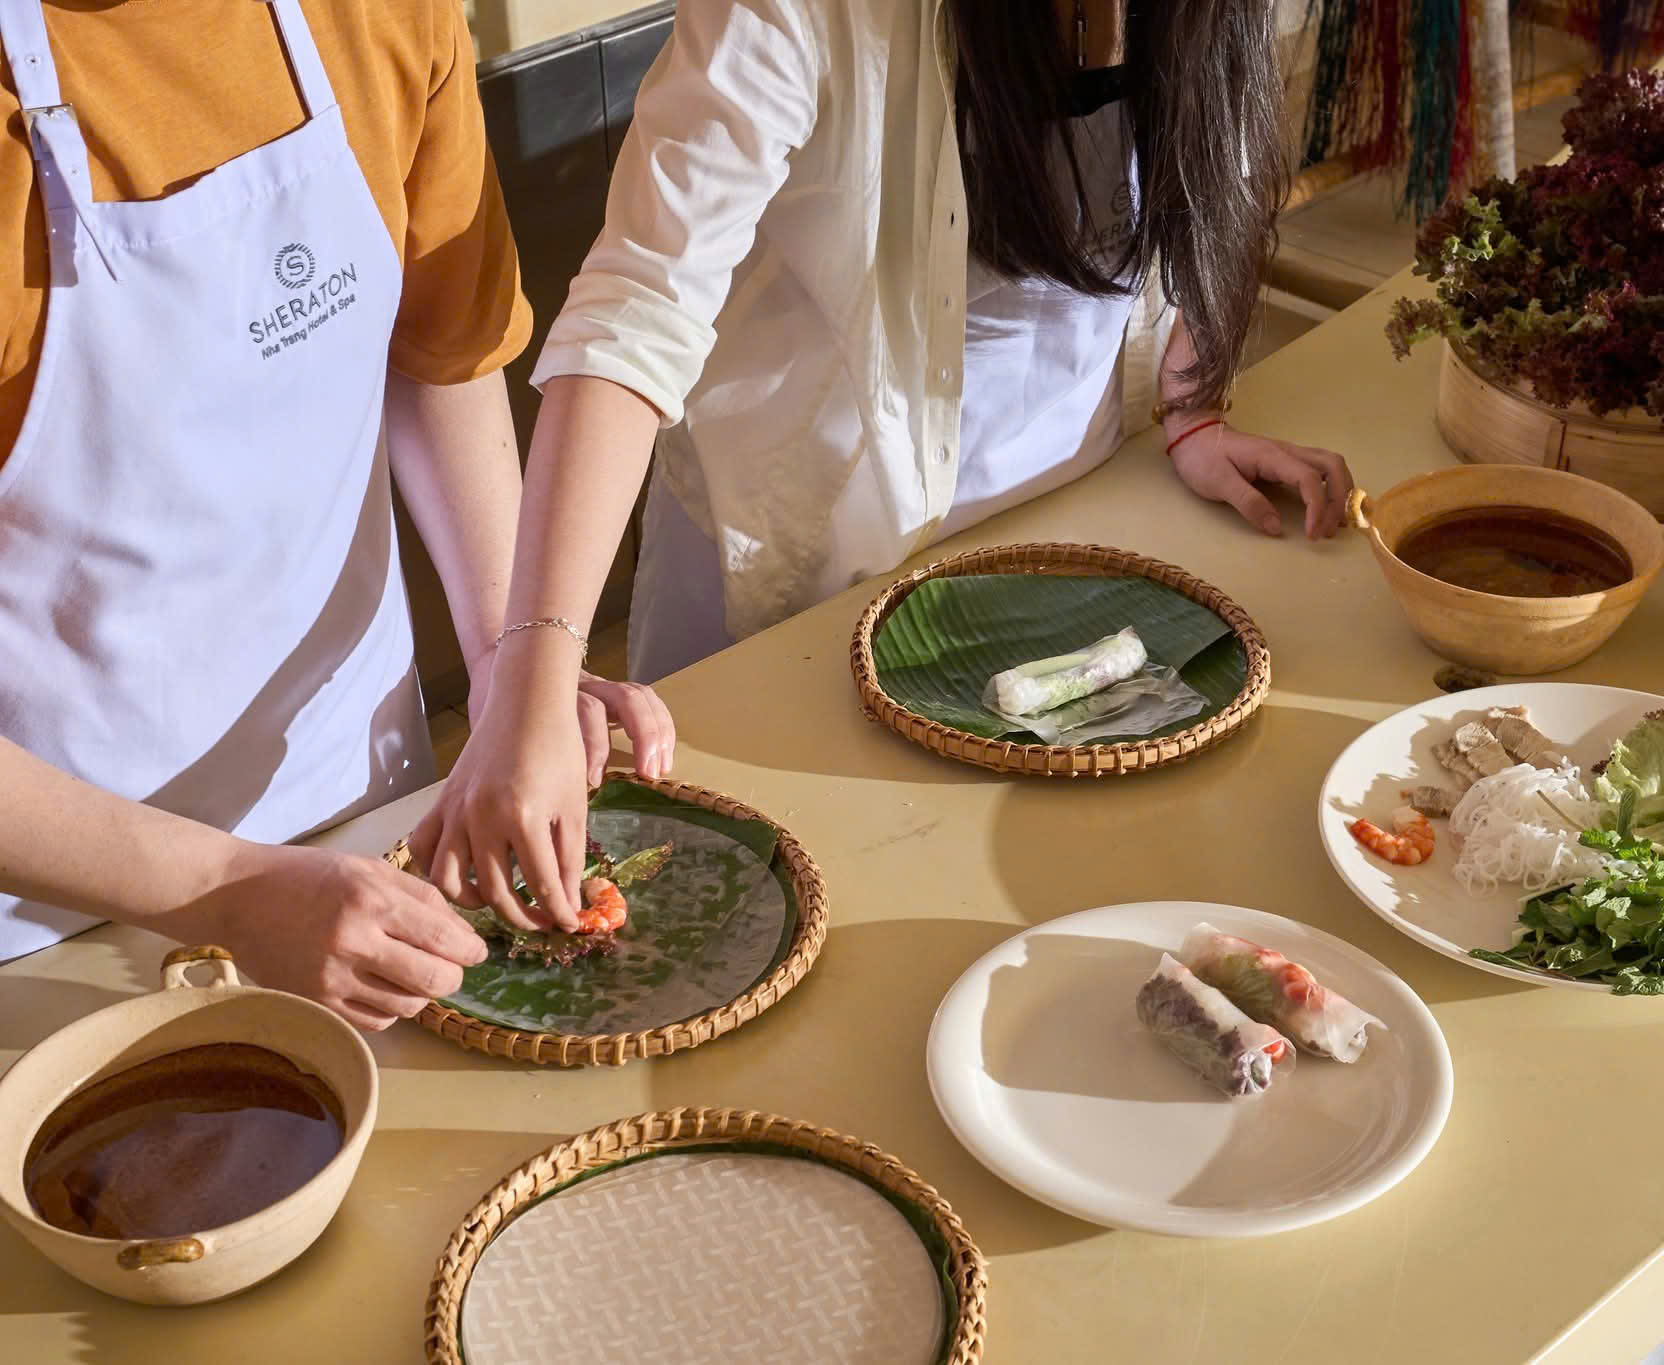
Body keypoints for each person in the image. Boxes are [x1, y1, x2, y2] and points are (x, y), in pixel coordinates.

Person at [411, 0, 1350, 914]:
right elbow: (639, 305)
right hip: (806, 573)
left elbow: (1196, 170)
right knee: (769, 902)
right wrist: (529, 681)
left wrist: (1192, 409)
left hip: (1060, 555)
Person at [0, 0, 672, 1030]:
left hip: (366, 810)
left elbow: (438, 344)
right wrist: (223, 889)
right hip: (52, 920)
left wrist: (508, 663)